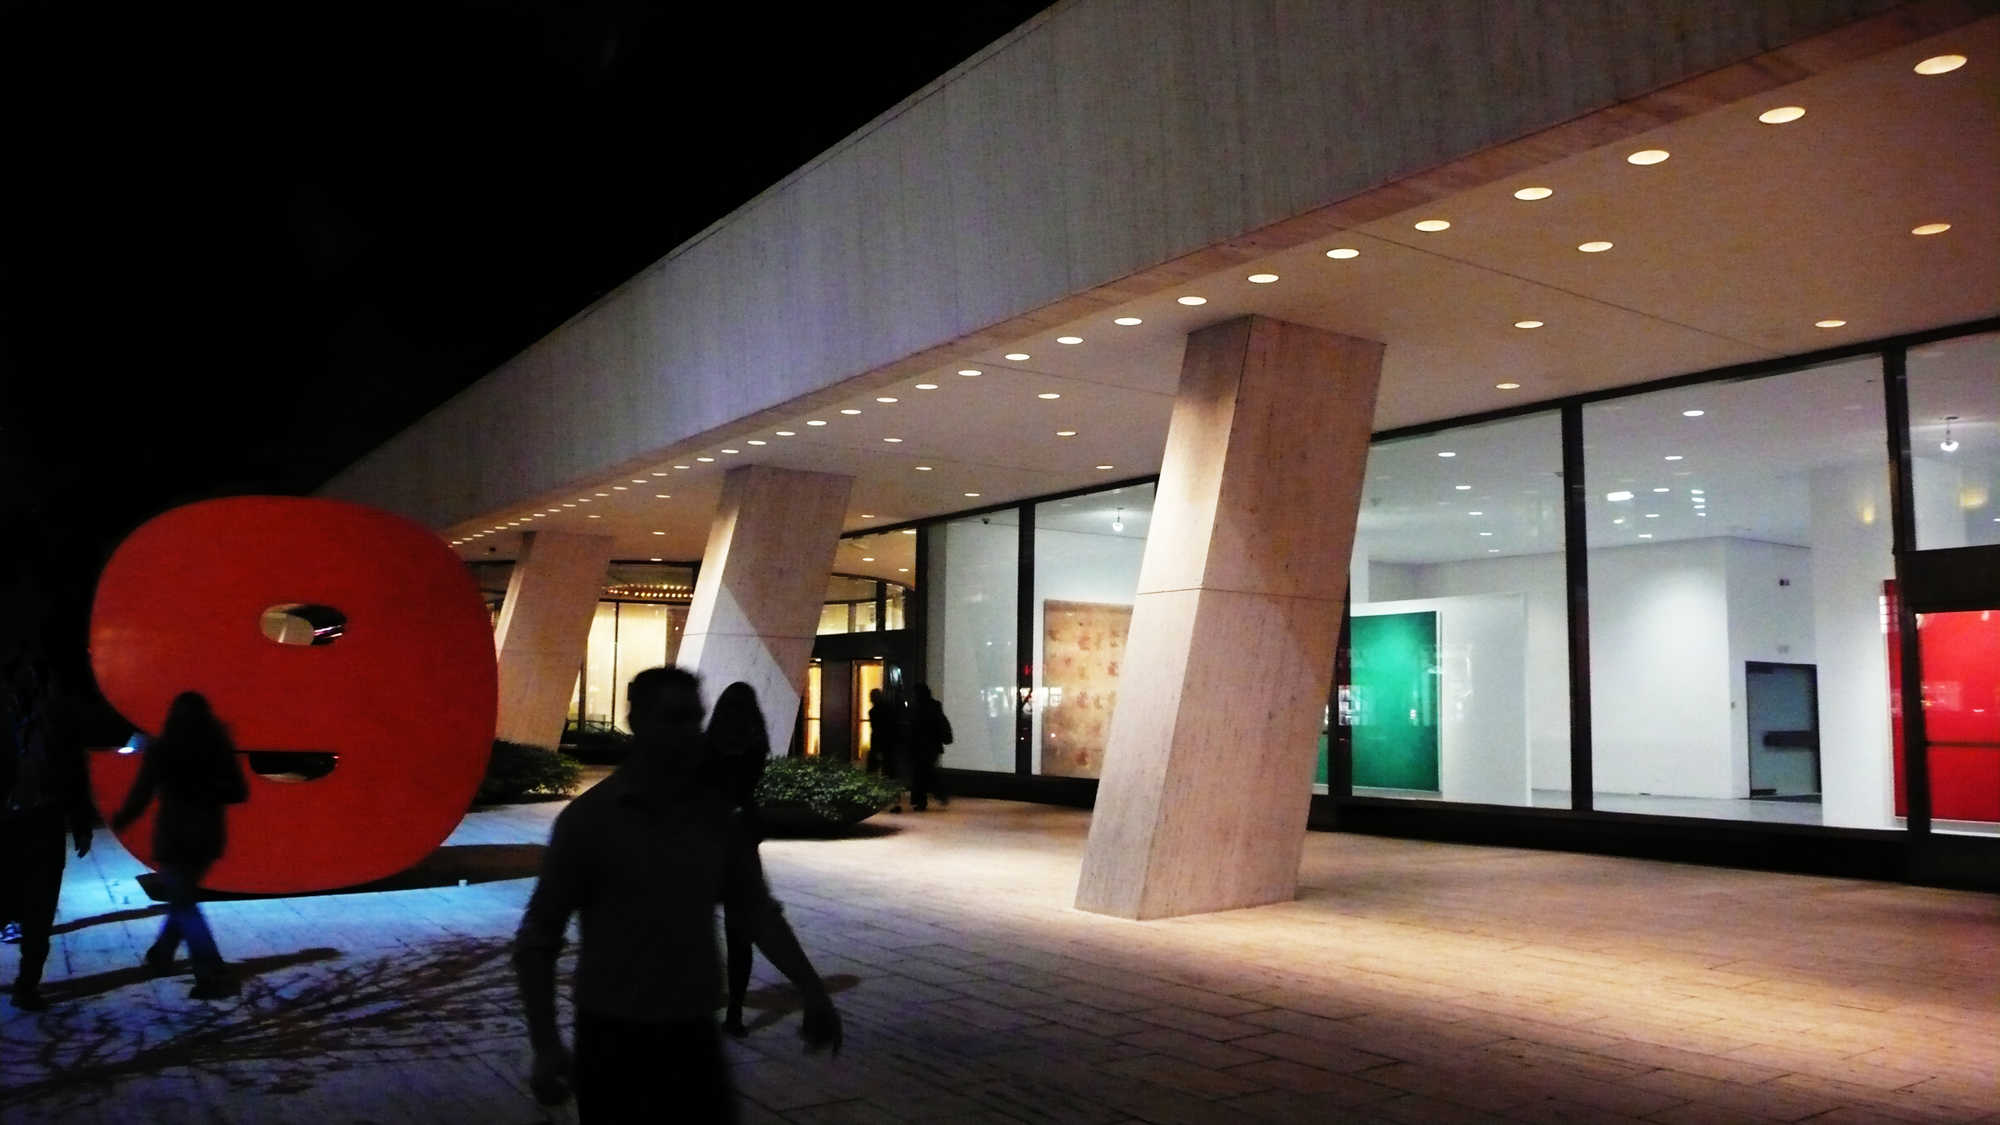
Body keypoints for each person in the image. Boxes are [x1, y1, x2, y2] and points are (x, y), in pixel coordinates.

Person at [514, 666, 841, 1123]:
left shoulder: (715, 818)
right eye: (674, 718)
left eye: (694, 718)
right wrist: (546, 1043)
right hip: (614, 1039)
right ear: (637, 721)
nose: (688, 731)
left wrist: (811, 989)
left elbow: (757, 911)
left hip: (694, 1035)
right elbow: (538, 939)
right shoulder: (589, 822)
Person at [109, 691, 249, 1000]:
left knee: (184, 905)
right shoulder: (217, 748)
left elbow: (142, 792)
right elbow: (239, 792)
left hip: (174, 838)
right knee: (182, 900)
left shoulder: (162, 749)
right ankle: (161, 954)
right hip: (207, 839)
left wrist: (122, 818)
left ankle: (210, 972)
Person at [2, 658, 95, 1011]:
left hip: (32, 823)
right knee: (34, 909)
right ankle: (26, 986)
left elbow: (74, 773)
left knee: (35, 910)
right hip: (32, 823)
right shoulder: (54, 720)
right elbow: (74, 774)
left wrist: (81, 822)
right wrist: (81, 822)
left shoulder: (54, 720)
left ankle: (27, 985)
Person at [705, 680, 768, 1038]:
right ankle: (735, 1010)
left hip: (710, 834)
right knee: (739, 930)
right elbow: (748, 788)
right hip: (741, 834)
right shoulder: (756, 744)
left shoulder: (709, 745)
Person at [906, 683, 953, 812]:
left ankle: (923, 799)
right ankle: (936, 794)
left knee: (921, 773)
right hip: (932, 746)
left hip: (920, 746)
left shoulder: (916, 708)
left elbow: (913, 728)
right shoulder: (934, 706)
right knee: (926, 771)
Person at [865, 687, 905, 813]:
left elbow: (877, 731)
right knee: (890, 773)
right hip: (890, 745)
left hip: (880, 744)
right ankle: (893, 800)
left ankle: (872, 797)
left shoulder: (874, 712)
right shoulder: (890, 710)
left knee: (873, 771)